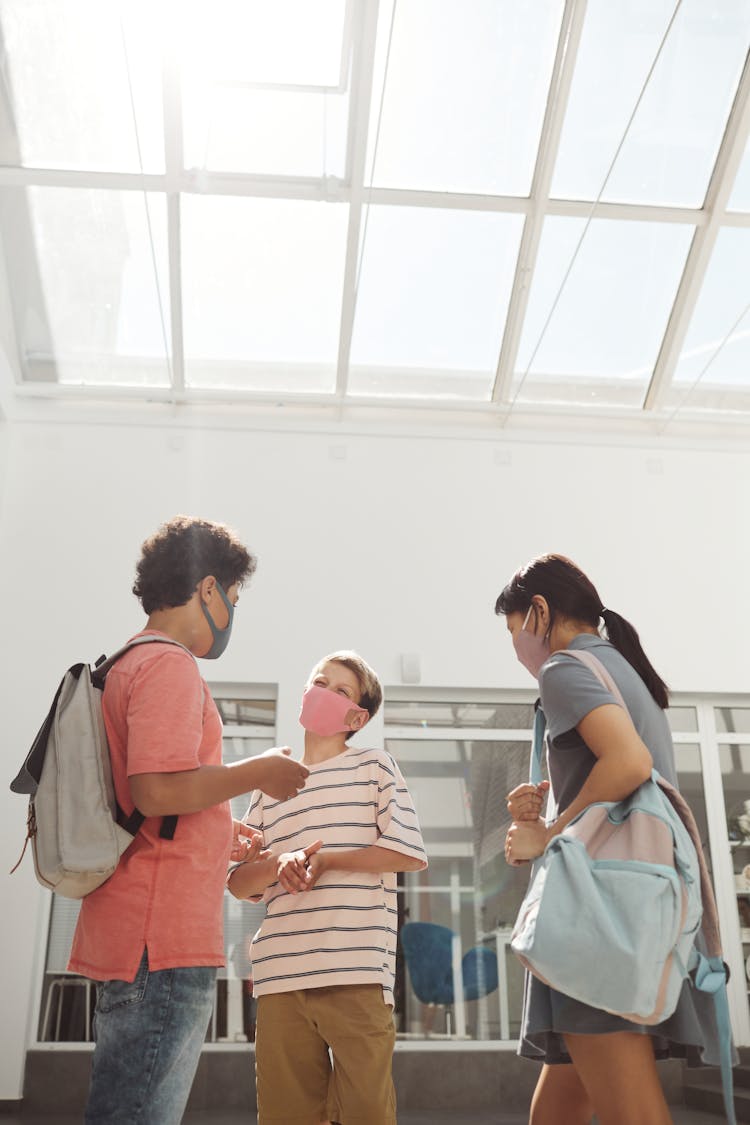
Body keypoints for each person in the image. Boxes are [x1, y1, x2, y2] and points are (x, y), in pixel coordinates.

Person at [69, 515, 309, 1125]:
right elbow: (153, 790)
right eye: (232, 595)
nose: (231, 608)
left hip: (135, 925)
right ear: (208, 589)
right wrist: (256, 772)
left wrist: (221, 834)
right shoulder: (169, 665)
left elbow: (147, 797)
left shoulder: (125, 662)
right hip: (164, 938)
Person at [496, 553, 722, 1125]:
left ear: (540, 613)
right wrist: (552, 805)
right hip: (636, 906)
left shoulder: (565, 668)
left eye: (513, 630)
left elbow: (628, 761)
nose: (517, 648)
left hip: (598, 918)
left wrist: (549, 832)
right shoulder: (621, 668)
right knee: (557, 1111)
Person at [227, 650, 428, 1125]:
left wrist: (323, 860)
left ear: (357, 716)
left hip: (355, 972)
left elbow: (409, 853)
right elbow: (237, 883)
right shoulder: (268, 787)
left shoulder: (375, 768)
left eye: (340, 690)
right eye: (319, 682)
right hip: (280, 978)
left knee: (367, 1114)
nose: (324, 692)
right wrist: (281, 864)